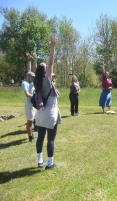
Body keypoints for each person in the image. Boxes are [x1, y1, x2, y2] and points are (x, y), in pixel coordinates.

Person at [34, 36, 61, 169]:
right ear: (45, 72)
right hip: (50, 113)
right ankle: (50, 163)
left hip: (39, 114)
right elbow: (50, 64)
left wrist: (34, 60)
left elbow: (38, 67)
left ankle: (40, 161)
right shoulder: (47, 80)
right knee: (51, 139)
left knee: (40, 138)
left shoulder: (36, 81)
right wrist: (52, 47)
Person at [21, 53, 37, 141]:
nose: (33, 78)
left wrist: (30, 59)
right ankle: (30, 138)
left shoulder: (31, 82)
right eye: (31, 77)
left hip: (33, 104)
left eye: (33, 77)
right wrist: (35, 97)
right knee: (29, 122)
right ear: (27, 76)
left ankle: (32, 135)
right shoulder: (25, 83)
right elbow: (27, 94)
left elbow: (30, 70)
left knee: (33, 120)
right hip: (29, 104)